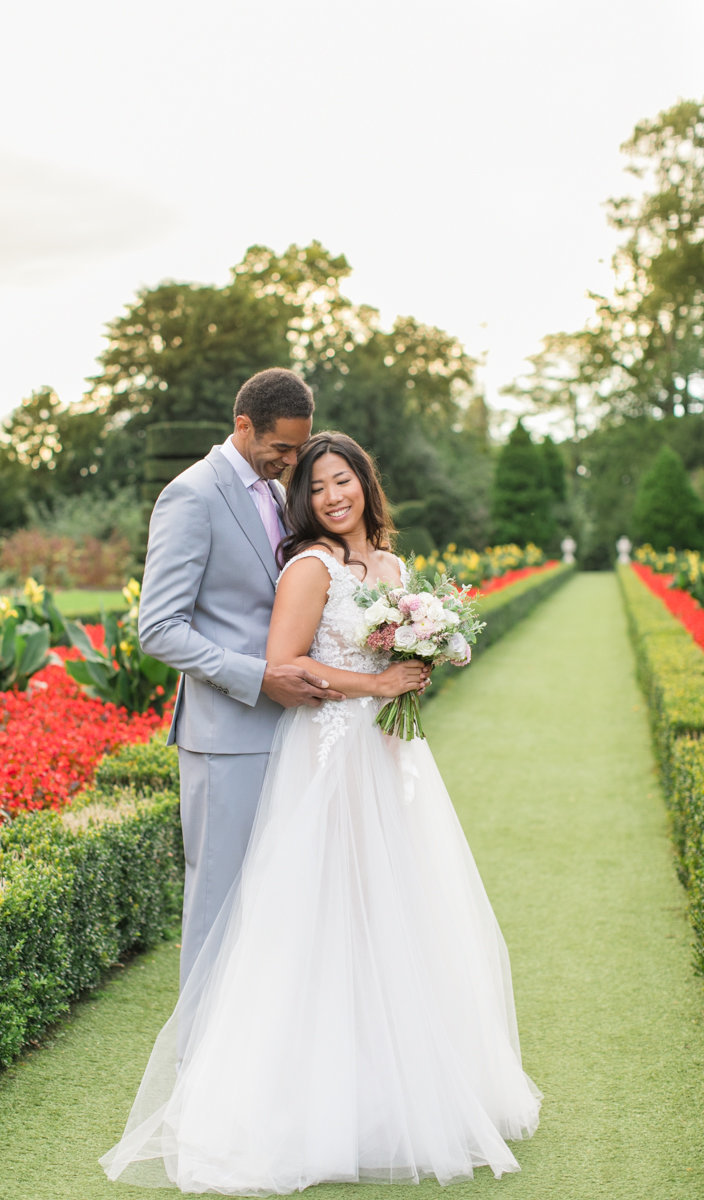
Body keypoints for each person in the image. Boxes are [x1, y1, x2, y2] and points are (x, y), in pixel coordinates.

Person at [102, 432, 541, 1193]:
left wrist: (419, 665)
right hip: (328, 753)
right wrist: (377, 686)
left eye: (344, 481)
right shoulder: (311, 567)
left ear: (367, 484)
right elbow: (286, 664)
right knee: (315, 911)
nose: (333, 497)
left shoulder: (394, 568)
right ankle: (286, 1099)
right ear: (304, 502)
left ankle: (395, 1089)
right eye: (318, 487)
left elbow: (388, 659)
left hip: (390, 759)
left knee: (394, 906)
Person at [137, 368, 344, 987]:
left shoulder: (279, 493)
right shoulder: (190, 495)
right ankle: (197, 1072)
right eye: (280, 447)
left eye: (297, 449)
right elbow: (159, 628)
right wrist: (259, 678)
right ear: (243, 424)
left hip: (294, 731)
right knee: (219, 905)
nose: (290, 460)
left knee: (282, 902)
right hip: (227, 736)